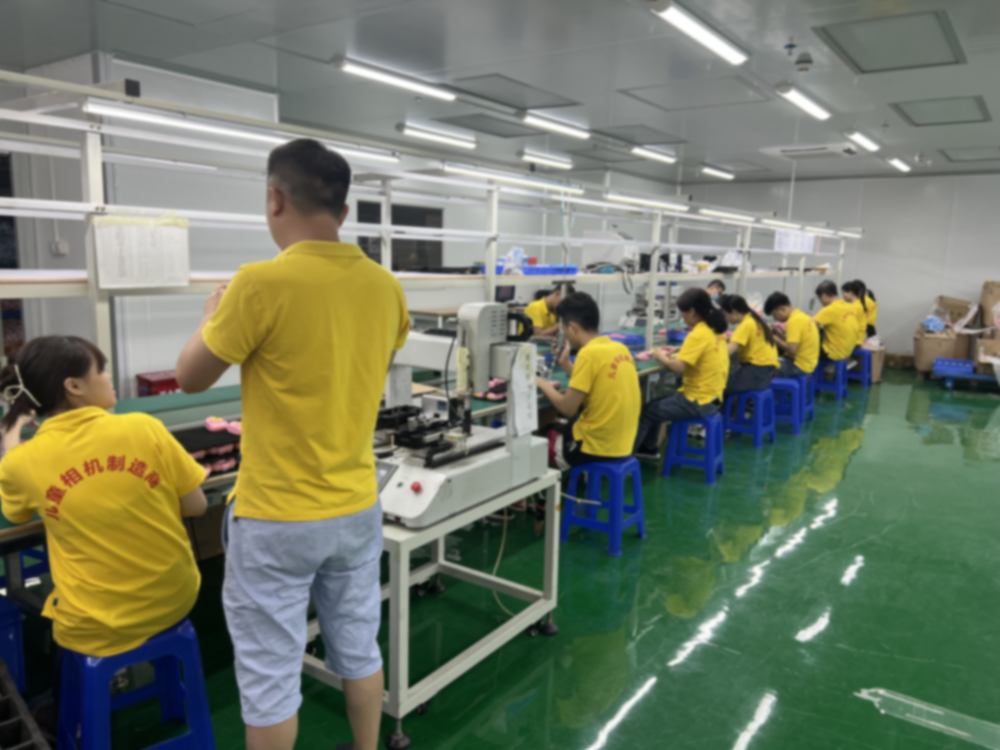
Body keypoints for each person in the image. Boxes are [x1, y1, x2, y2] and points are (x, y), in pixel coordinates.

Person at [175, 139, 410, 750]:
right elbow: (373, 363)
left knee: (270, 676)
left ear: (274, 198)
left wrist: (210, 316)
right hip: (356, 505)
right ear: (346, 209)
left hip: (277, 515)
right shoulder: (386, 287)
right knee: (358, 647)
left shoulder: (258, 285)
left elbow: (190, 377)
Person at [0, 336, 208, 661]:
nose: (109, 377)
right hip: (176, 598)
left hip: (96, 624)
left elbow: (17, 515)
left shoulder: (20, 462)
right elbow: (197, 505)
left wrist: (10, 437)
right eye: (102, 370)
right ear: (74, 386)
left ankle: (67, 708)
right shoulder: (144, 428)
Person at [536, 292, 640, 468]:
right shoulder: (619, 348)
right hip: (622, 442)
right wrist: (565, 363)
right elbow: (591, 380)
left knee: (538, 435)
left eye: (564, 330)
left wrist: (540, 381)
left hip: (595, 446)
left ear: (573, 327)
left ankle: (546, 493)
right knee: (565, 424)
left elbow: (567, 408)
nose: (565, 336)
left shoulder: (588, 354)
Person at [634, 288, 729, 460]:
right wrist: (679, 348)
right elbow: (704, 350)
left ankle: (626, 456)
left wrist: (659, 356)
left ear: (692, 311)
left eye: (683, 313)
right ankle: (648, 448)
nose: (682, 317)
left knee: (647, 412)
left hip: (698, 400)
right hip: (714, 397)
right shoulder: (713, 329)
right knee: (656, 404)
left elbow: (677, 367)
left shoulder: (698, 334)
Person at [719, 294, 778, 397]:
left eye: (725, 314)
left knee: (714, 382)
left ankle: (727, 412)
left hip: (755, 373)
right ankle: (734, 410)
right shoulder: (754, 320)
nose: (725, 318)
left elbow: (727, 352)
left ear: (734, 312)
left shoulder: (745, 324)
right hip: (766, 373)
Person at [764, 292, 820, 379]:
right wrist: (778, 335)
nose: (775, 319)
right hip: (809, 363)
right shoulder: (803, 316)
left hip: (798, 366)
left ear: (782, 309)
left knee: (763, 369)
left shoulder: (793, 322)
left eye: (774, 314)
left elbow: (792, 349)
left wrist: (774, 339)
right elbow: (794, 342)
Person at [813, 280, 858, 361]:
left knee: (801, 347)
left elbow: (807, 324)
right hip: (848, 350)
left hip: (833, 353)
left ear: (824, 296)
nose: (821, 302)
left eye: (820, 299)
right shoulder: (849, 306)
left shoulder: (830, 309)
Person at [840, 281, 868, 349]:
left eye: (843, 293)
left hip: (855, 342)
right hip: (858, 340)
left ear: (851, 293)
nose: (843, 296)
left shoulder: (854, 307)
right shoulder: (858, 305)